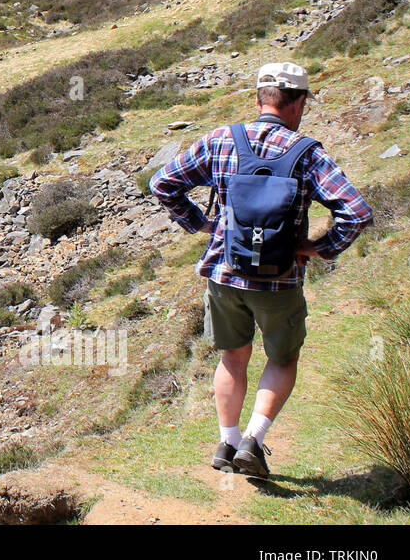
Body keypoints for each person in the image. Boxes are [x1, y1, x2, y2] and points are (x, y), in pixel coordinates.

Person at [149, 62, 371, 478]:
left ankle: (226, 442)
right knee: (283, 357)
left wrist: (202, 224)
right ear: (299, 102)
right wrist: (320, 248)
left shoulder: (221, 140)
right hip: (280, 278)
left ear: (258, 99)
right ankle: (253, 439)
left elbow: (162, 183)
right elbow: (356, 212)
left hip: (224, 273)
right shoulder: (308, 153)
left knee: (233, 357)